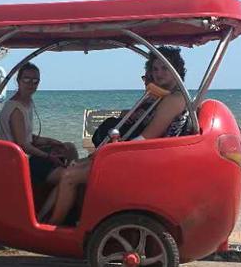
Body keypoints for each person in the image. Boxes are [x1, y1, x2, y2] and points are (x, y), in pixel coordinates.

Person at [43, 46, 189, 226]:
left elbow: (147, 138)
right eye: (155, 69)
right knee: (73, 169)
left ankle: (54, 227)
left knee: (69, 176)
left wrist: (111, 152)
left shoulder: (173, 99)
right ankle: (53, 220)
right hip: (143, 158)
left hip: (147, 163)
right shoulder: (161, 96)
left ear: (176, 70)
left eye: (165, 68)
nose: (158, 73)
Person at [0, 63, 78, 198]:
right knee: (70, 176)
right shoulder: (16, 108)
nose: (31, 84)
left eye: (35, 81)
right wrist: (48, 157)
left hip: (26, 154)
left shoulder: (27, 102)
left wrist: (51, 141)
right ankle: (49, 213)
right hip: (18, 161)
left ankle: (65, 197)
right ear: (18, 81)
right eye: (26, 80)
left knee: (69, 147)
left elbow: (28, 137)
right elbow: (23, 144)